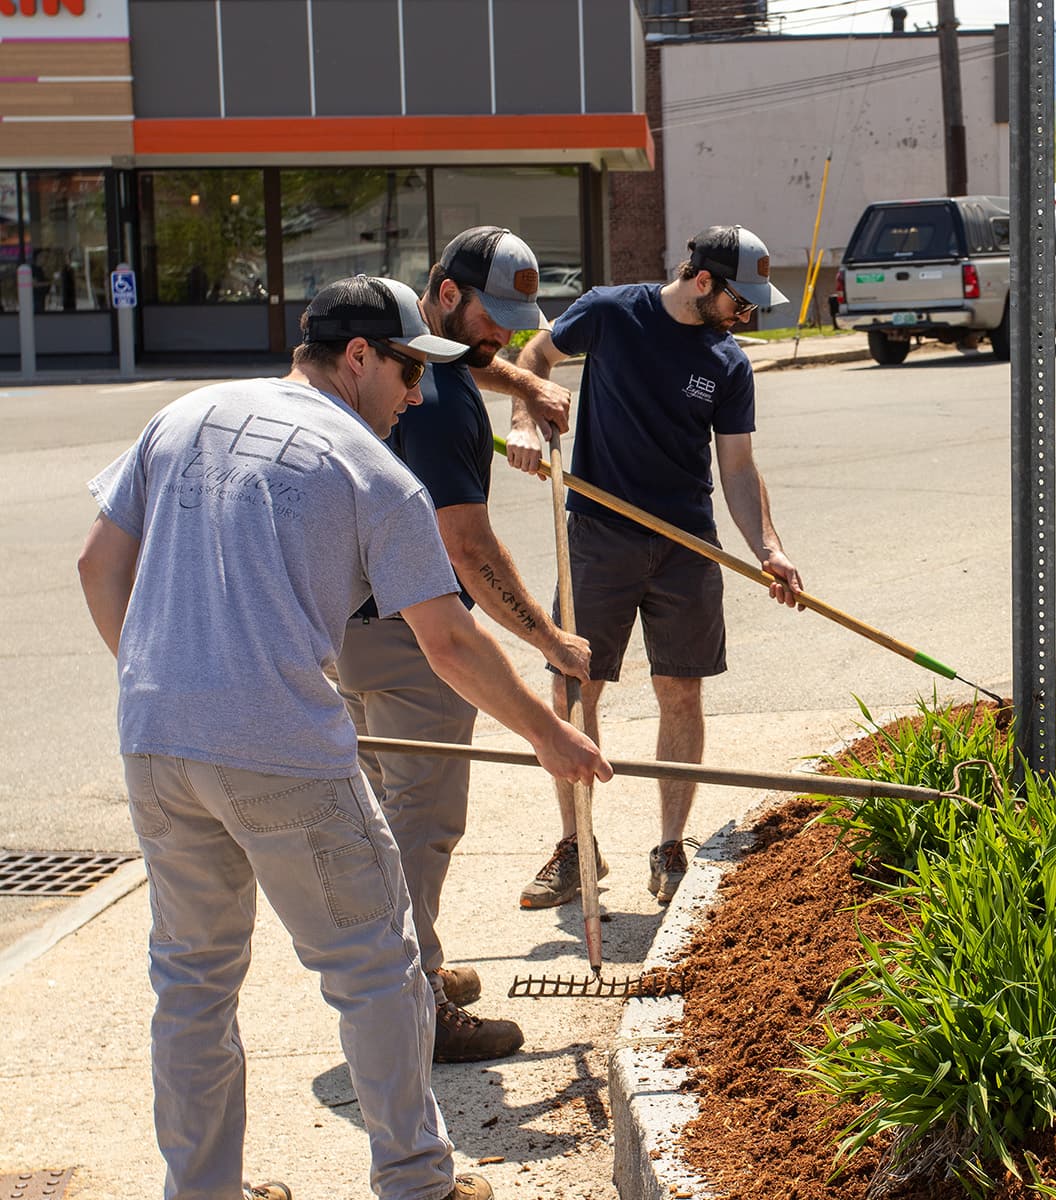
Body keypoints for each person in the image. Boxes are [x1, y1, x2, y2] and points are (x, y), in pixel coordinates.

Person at [77, 274, 609, 1200]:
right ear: (357, 357)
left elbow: (97, 566)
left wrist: (166, 684)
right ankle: (417, 1182)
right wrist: (548, 738)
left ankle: (201, 1190)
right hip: (282, 749)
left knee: (193, 983)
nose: (418, 394)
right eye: (408, 371)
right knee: (378, 967)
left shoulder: (186, 415)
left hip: (155, 740)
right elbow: (446, 639)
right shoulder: (373, 471)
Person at [334, 228, 588, 1063]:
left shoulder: (411, 356)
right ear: (446, 297)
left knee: (378, 815)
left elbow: (474, 360)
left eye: (520, 320)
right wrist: (550, 641)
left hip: (342, 629)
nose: (508, 335)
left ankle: (407, 970)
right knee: (420, 821)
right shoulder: (436, 405)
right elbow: (468, 554)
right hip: (408, 637)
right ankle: (414, 1003)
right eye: (494, 316)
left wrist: (524, 386)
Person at [508, 224, 801, 908]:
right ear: (704, 281)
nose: (747, 313)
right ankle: (578, 845)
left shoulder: (728, 361)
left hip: (686, 545)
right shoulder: (611, 312)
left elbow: (737, 466)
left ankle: (670, 847)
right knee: (574, 689)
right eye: (741, 299)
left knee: (682, 691)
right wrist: (526, 419)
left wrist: (769, 548)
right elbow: (535, 354)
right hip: (599, 534)